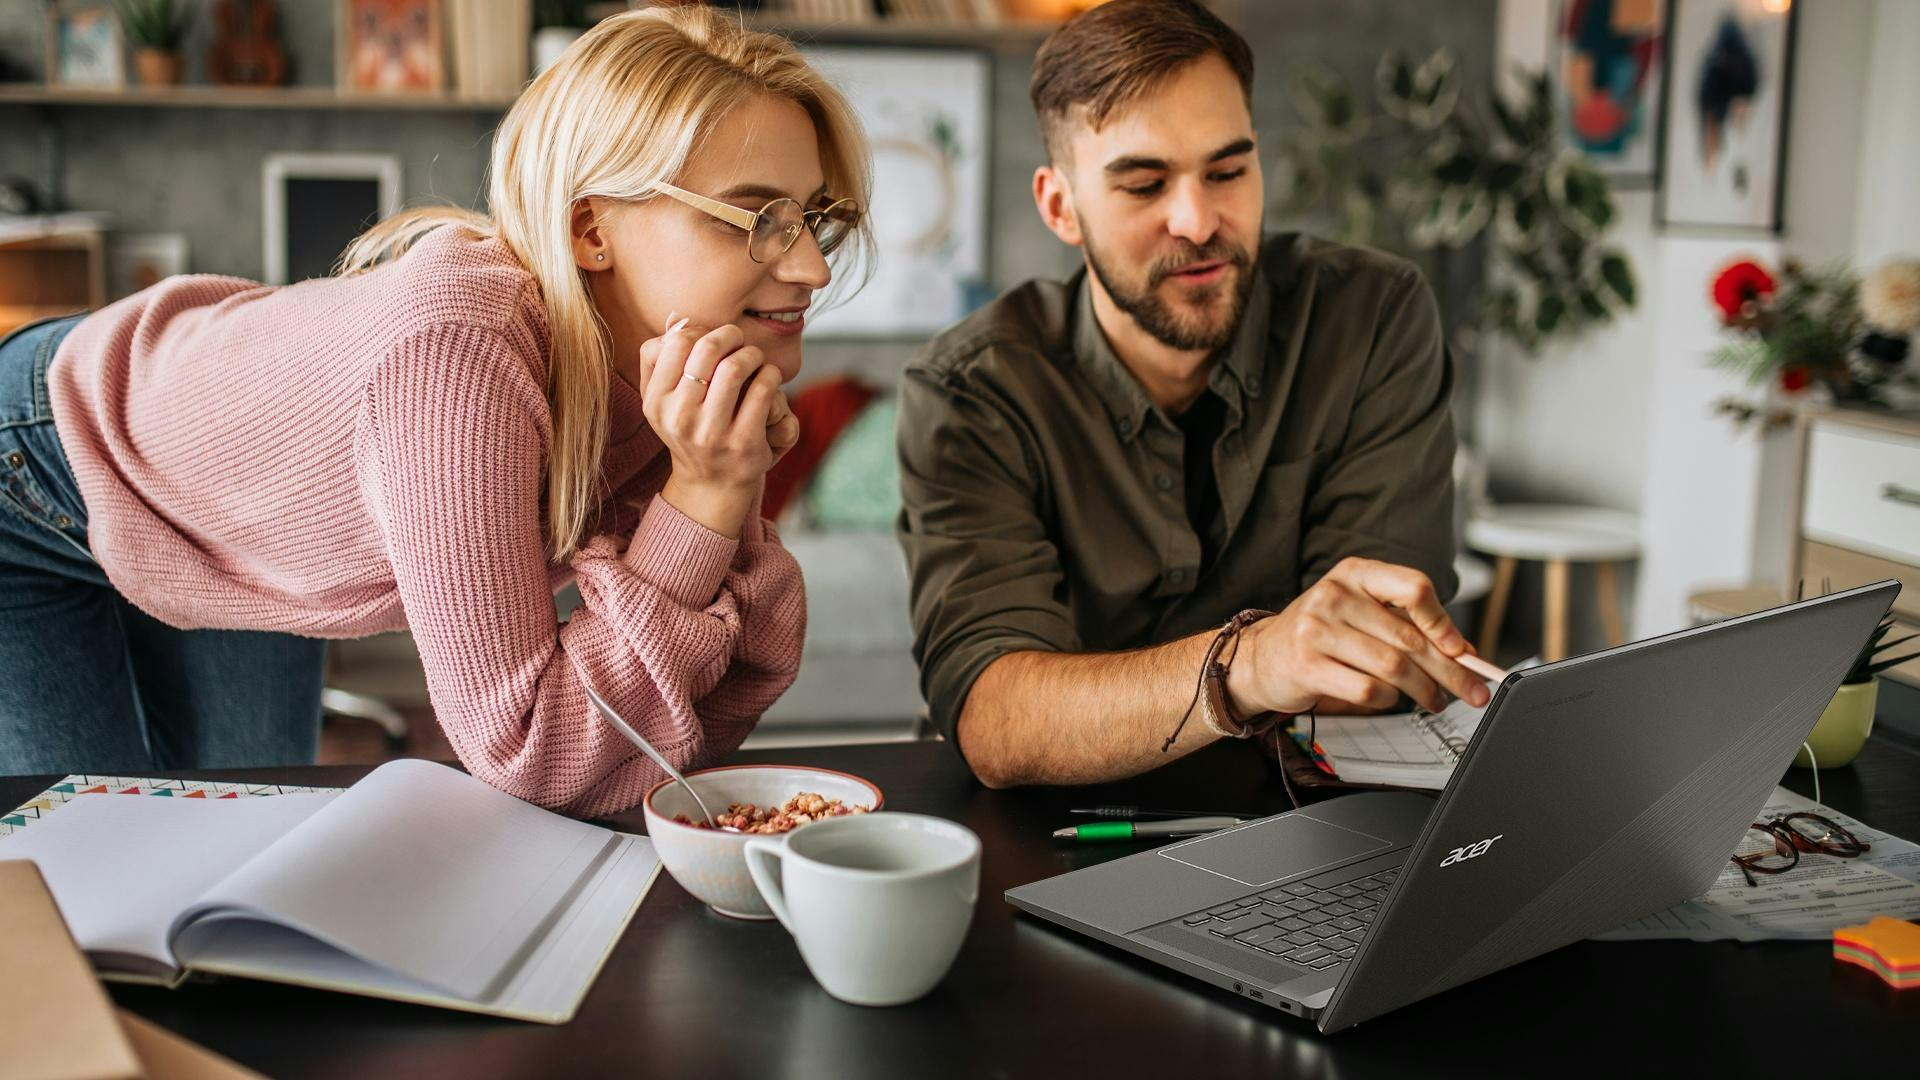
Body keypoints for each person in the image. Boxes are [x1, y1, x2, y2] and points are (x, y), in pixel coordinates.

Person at [0, 7, 869, 816]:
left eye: (814, 221)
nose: (812, 272)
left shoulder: (677, 377)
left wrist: (714, 493)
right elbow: (530, 751)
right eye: (757, 219)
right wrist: (706, 500)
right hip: (41, 462)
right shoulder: (462, 351)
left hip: (229, 517)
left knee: (230, 854)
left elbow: (684, 721)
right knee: (81, 879)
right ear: (589, 229)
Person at [895, 0, 1484, 789]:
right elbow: (998, 722)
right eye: (1144, 185)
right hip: (1044, 826)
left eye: (1229, 171)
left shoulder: (1370, 317)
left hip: (1302, 818)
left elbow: (1376, 665)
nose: (1200, 221)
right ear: (1060, 206)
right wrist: (1251, 663)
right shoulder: (970, 392)